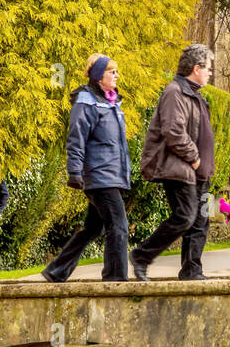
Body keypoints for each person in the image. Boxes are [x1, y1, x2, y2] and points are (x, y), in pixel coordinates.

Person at [130, 44, 215, 281]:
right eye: (208, 68)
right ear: (196, 68)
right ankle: (141, 256)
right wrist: (195, 158)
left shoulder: (195, 95)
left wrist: (204, 167)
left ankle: (191, 271)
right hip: (181, 169)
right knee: (185, 216)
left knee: (200, 223)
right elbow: (173, 131)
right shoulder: (175, 92)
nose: (210, 72)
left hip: (201, 174)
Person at [42, 53, 130, 282]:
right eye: (112, 71)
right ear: (100, 76)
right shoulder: (86, 102)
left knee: (94, 229)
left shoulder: (111, 102)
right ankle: (115, 279)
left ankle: (56, 270)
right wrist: (74, 171)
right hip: (100, 176)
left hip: (109, 174)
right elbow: (76, 138)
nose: (117, 75)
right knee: (118, 226)